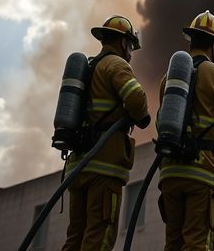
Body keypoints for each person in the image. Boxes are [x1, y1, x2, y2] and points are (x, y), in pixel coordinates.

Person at [158, 9, 214, 250]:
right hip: (202, 173)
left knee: (173, 244)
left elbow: (160, 121)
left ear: (192, 39)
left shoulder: (169, 78)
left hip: (170, 173)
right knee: (197, 244)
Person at [62, 15, 150, 251]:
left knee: (75, 237)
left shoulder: (90, 67)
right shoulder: (116, 64)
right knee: (100, 234)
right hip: (103, 164)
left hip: (79, 165)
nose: (131, 51)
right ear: (123, 42)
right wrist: (141, 116)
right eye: (130, 45)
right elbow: (137, 101)